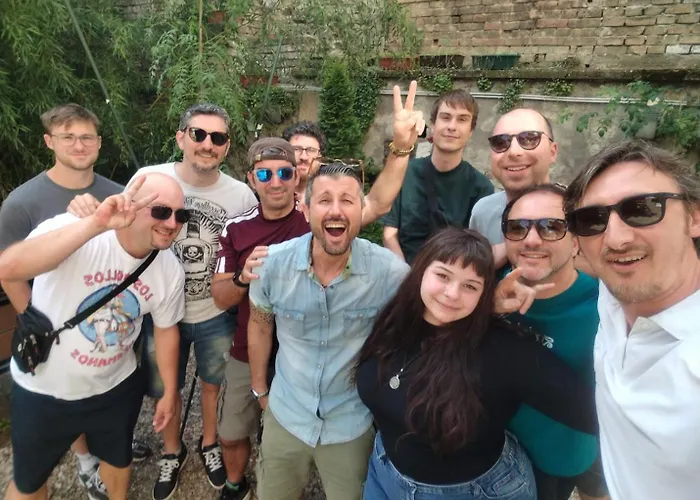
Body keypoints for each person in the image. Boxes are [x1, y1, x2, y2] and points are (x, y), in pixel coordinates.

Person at [68, 102, 258, 500]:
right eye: (199, 134)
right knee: (161, 387)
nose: (207, 144)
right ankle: (172, 450)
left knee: (213, 384)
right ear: (181, 137)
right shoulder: (148, 179)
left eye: (218, 137)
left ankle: (209, 442)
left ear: (226, 146)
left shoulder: (241, 195)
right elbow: (120, 232)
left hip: (214, 311)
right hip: (158, 312)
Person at [245, 82, 424, 500]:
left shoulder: (386, 272)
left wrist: (401, 147)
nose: (337, 209)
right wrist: (260, 391)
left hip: (351, 424)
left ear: (361, 212)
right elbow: (260, 325)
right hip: (285, 415)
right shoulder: (272, 264)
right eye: (324, 200)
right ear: (306, 209)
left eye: (348, 200)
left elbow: (436, 306)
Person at [355, 227, 598, 500]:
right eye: (443, 275)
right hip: (384, 472)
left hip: (475, 492)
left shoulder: (504, 351)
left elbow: (594, 412)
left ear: (483, 294)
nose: (452, 293)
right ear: (421, 270)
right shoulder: (396, 319)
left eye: (470, 286)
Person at [0, 174, 184, 500]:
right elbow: (8, 268)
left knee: (118, 461)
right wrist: (95, 225)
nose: (172, 223)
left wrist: (169, 391)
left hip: (114, 387)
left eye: (181, 214)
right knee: (29, 482)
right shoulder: (75, 227)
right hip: (44, 391)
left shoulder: (168, 268)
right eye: (160, 211)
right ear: (130, 204)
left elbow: (166, 329)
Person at [0, 103, 131, 496]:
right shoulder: (22, 203)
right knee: (31, 471)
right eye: (68, 136)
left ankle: (94, 455)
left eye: (86, 136)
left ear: (99, 143)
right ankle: (83, 458)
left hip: (104, 330)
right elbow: (8, 269)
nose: (78, 144)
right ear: (49, 141)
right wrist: (32, 317)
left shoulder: (117, 195)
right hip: (51, 337)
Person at [563, 140, 700, 500]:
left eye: (643, 209)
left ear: (694, 217)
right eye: (592, 220)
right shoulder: (614, 292)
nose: (616, 240)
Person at [211, 138, 310, 500]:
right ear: (252, 179)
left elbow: (372, 208)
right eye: (265, 174)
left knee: (287, 438)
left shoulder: (314, 221)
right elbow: (220, 297)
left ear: (296, 176)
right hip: (246, 347)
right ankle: (235, 483)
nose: (275, 182)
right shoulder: (235, 229)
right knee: (230, 432)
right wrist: (243, 277)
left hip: (302, 349)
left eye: (284, 173)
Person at [500, 184, 608, 500]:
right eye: (517, 227)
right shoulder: (482, 293)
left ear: (575, 243)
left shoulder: (607, 310)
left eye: (551, 227)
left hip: (579, 448)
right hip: (508, 458)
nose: (532, 239)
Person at [382, 88, 493, 264]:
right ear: (433, 125)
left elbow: (476, 250)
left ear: (471, 131)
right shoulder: (405, 173)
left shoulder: (481, 188)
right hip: (403, 272)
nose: (452, 126)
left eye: (462, 119)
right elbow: (389, 234)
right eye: (445, 117)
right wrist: (404, 274)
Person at [470, 108, 558, 246]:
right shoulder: (483, 213)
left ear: (552, 152)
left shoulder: (576, 211)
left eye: (529, 139)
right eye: (500, 142)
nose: (513, 152)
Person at [281, 121, 327, 202]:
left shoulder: (330, 197)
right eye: (296, 149)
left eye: (311, 150)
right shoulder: (268, 194)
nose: (303, 157)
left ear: (320, 156)